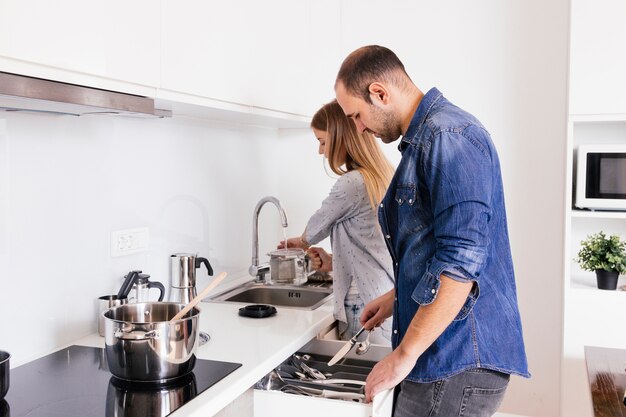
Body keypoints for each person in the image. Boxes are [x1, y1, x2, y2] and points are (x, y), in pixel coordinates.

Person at [334, 45, 530, 415]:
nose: (358, 127)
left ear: (379, 92)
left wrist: (402, 357)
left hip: (455, 355)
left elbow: (460, 264)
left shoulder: (448, 136)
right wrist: (396, 298)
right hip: (445, 352)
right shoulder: (426, 140)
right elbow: (438, 250)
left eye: (357, 115)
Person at [279, 99, 395, 344]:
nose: (321, 151)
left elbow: (313, 230)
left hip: (361, 302)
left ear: (341, 137)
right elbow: (372, 246)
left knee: (359, 380)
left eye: (322, 142)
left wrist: (298, 244)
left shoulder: (352, 182)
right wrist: (333, 262)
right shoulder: (380, 176)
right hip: (383, 295)